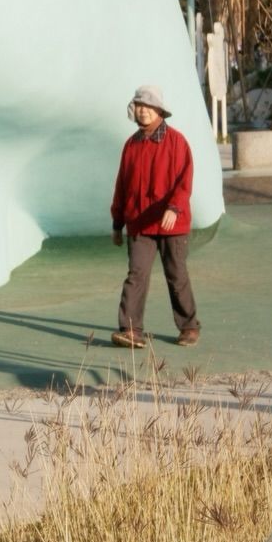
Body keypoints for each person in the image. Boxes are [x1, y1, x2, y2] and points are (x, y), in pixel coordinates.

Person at [109, 84, 200, 348]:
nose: (143, 111)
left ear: (159, 110)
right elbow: (122, 186)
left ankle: (189, 327)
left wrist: (174, 208)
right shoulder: (131, 145)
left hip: (173, 224)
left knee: (176, 275)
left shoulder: (177, 142)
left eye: (148, 106)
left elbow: (185, 182)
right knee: (136, 275)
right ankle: (130, 329)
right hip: (139, 224)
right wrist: (117, 223)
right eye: (139, 105)